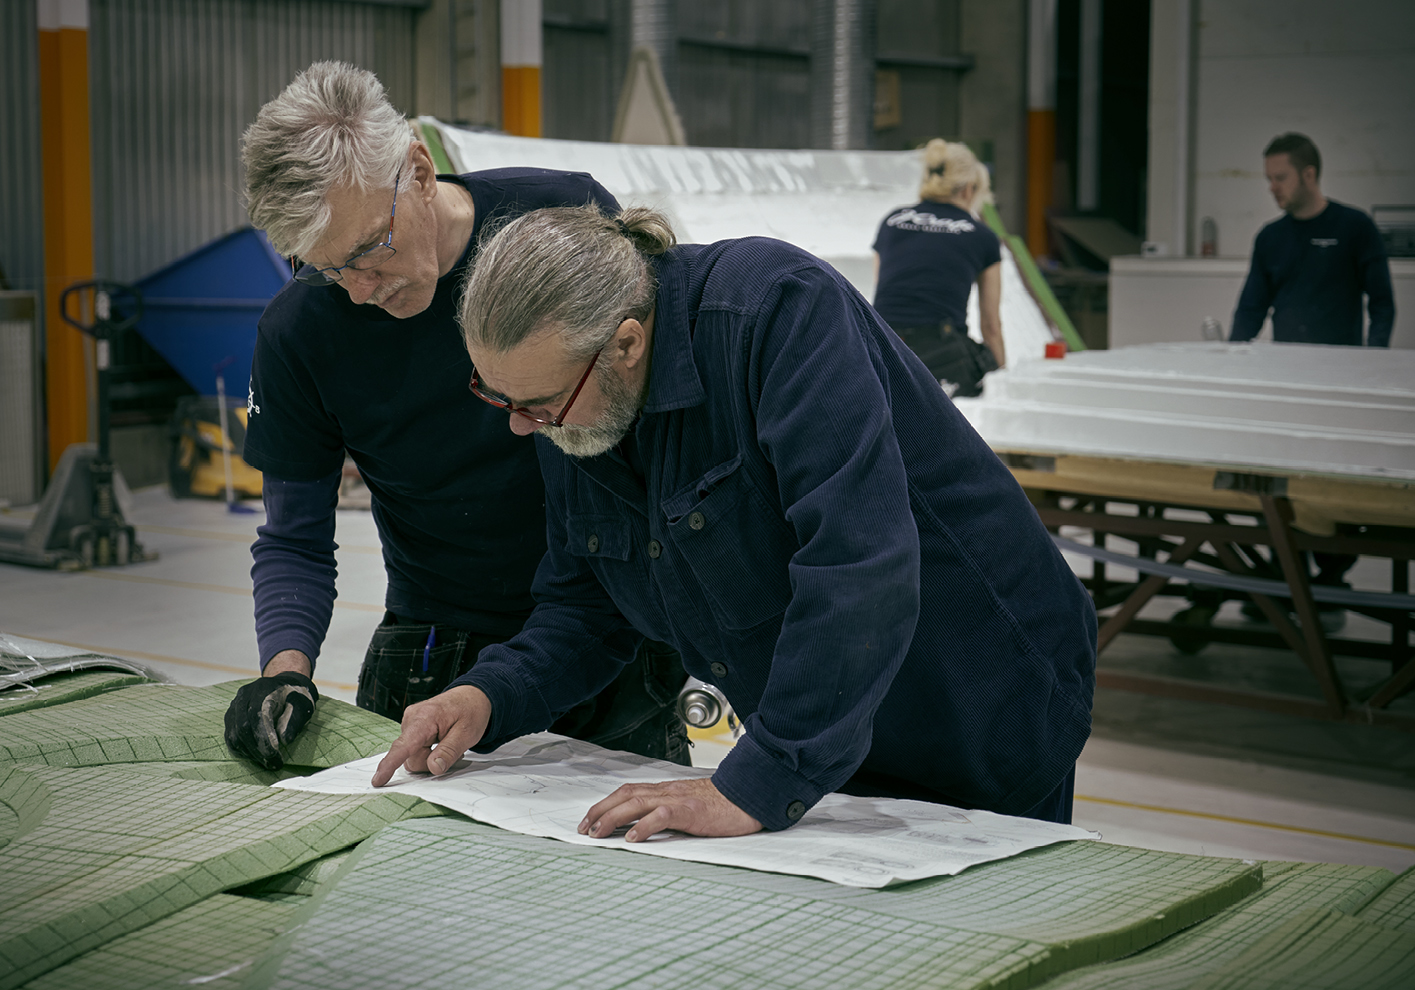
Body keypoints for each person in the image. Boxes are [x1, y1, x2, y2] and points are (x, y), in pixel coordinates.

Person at [372, 204, 1097, 842]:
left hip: (973, 696)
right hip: (823, 728)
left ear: (624, 345)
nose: (523, 428)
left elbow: (858, 562)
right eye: (500, 399)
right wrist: (489, 694)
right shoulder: (572, 404)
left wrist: (753, 783)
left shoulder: (775, 312)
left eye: (538, 404)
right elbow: (586, 604)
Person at [221, 62, 689, 771]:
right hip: (439, 647)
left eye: (368, 253)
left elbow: (655, 414)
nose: (358, 292)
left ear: (417, 166)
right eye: (325, 269)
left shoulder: (557, 223)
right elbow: (294, 537)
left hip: (610, 631)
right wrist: (284, 670)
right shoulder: (300, 331)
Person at [1231, 132, 1396, 617]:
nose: (1273, 188)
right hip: (1286, 383)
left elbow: (1382, 303)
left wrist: (1373, 363)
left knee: (1330, 486)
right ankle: (1280, 582)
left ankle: (1324, 585)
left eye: (1279, 178)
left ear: (1308, 174)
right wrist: (1230, 363)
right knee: (1280, 485)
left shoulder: (1354, 228)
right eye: (1268, 180)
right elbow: (1250, 309)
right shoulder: (1271, 238)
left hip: (1341, 383)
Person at [872, 139, 1005, 397]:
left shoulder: (892, 221)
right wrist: (1002, 381)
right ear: (968, 189)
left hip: (881, 350)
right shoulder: (981, 235)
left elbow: (884, 293)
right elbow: (991, 326)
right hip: (942, 355)